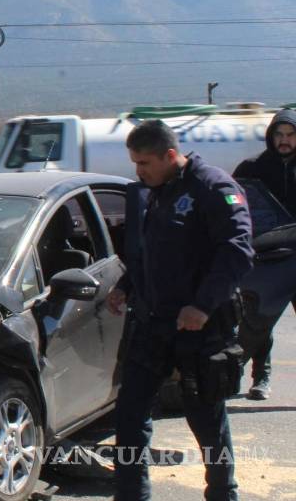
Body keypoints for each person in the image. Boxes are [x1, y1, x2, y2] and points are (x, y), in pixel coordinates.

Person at [106, 119, 254, 501]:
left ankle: (223, 493)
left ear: (170, 155)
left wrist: (203, 306)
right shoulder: (157, 190)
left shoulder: (212, 187)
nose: (138, 171)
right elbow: (153, 255)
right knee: (130, 415)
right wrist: (125, 287)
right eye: (135, 163)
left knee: (206, 420)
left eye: (144, 163)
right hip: (153, 324)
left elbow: (238, 251)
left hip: (199, 329)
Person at [232, 108, 296, 400]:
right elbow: (235, 208)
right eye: (279, 134)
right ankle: (261, 376)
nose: (284, 141)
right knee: (259, 320)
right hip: (266, 258)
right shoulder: (252, 168)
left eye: (291, 135)